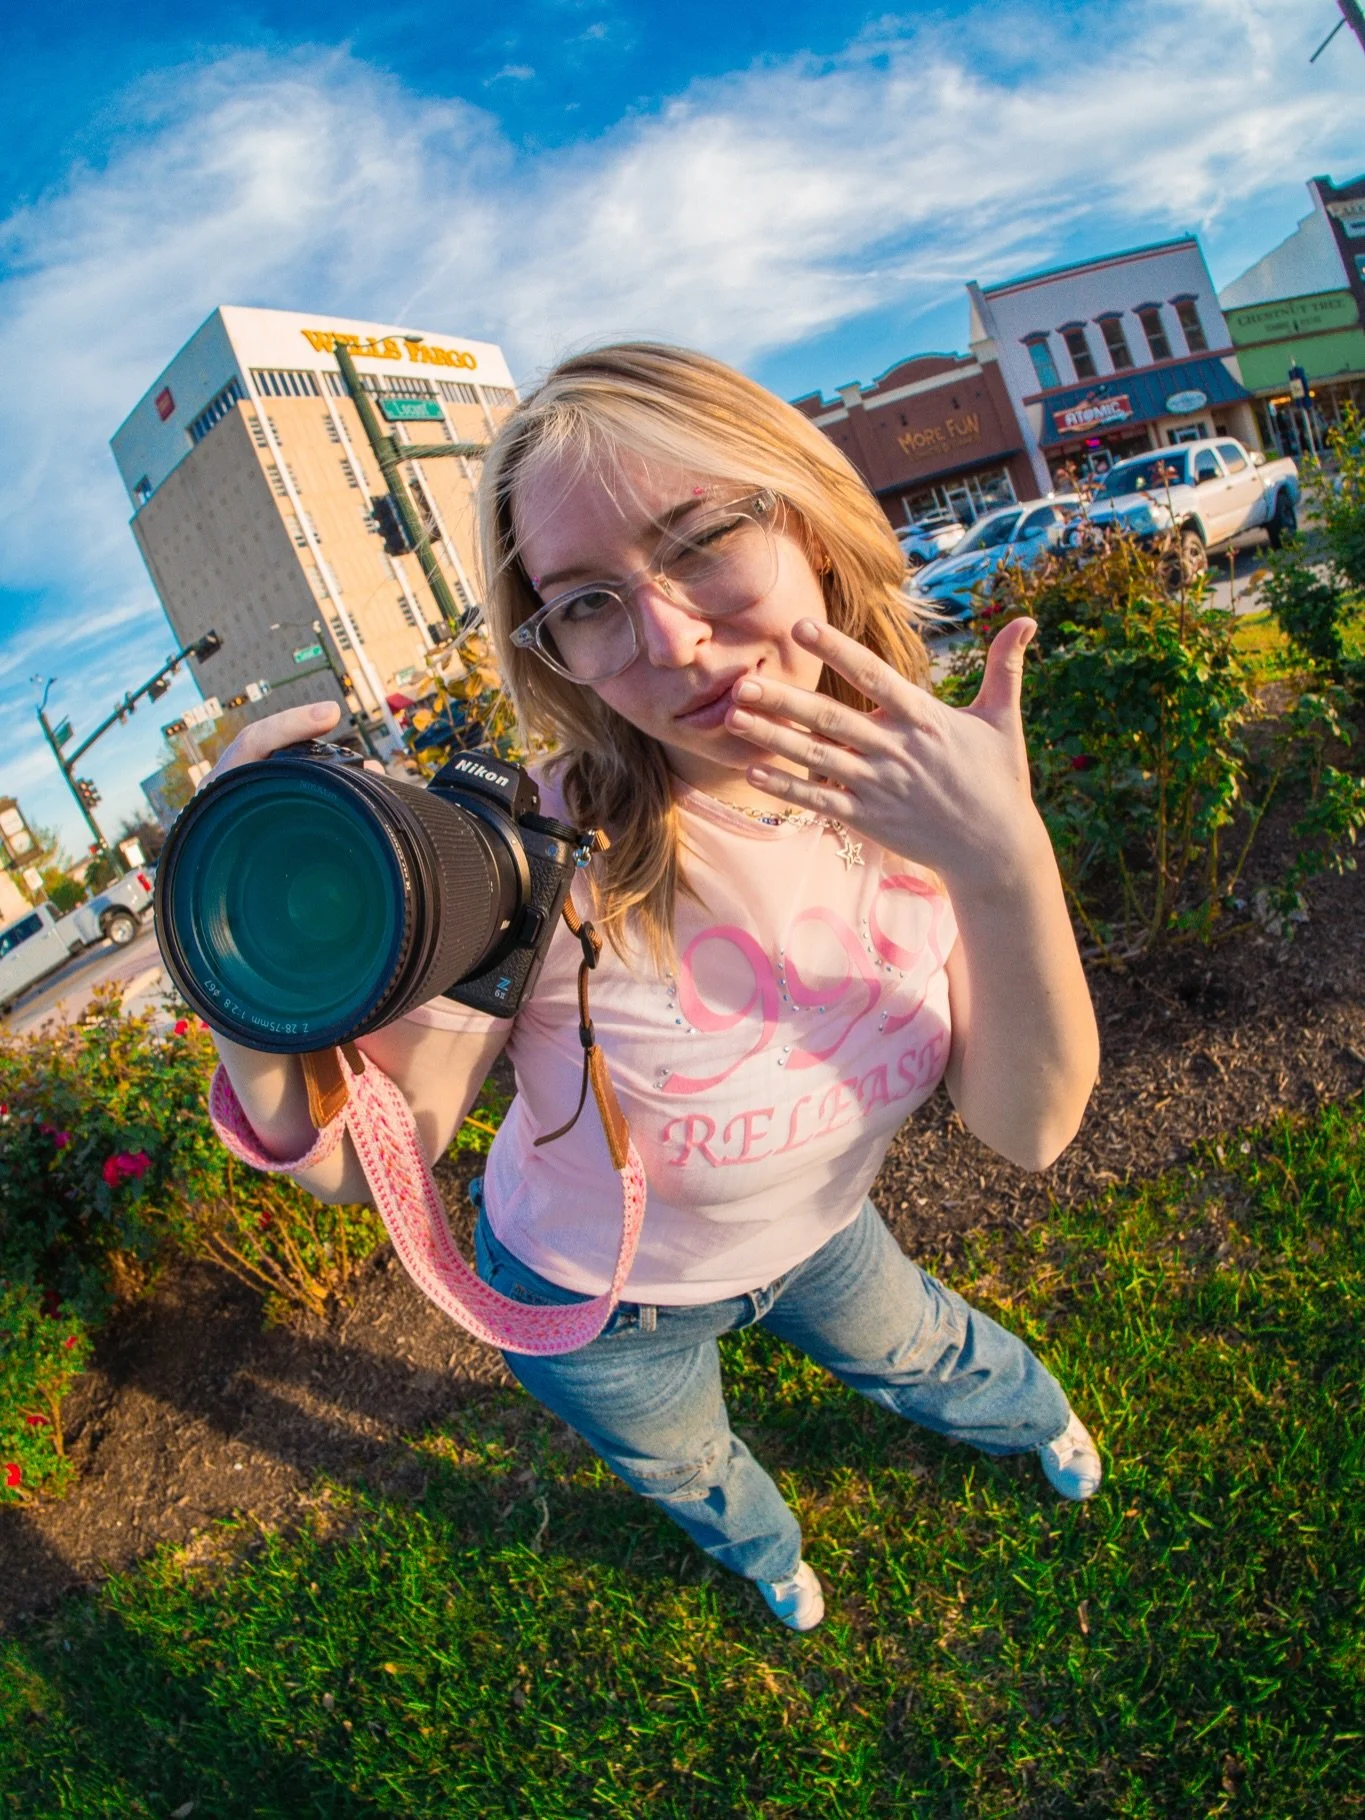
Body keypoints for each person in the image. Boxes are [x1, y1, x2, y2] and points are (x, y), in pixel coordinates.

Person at [210, 343, 1101, 1634]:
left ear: (808, 519)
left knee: (923, 1350)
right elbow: (372, 1160)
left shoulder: (927, 791)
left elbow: (1026, 1127)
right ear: (553, 643)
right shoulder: (530, 857)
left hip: (823, 1233)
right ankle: (762, 1552)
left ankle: (1035, 1422)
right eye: (585, 600)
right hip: (587, 1291)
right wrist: (247, 986)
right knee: (679, 1459)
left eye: (700, 540)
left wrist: (1002, 854)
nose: (670, 640)